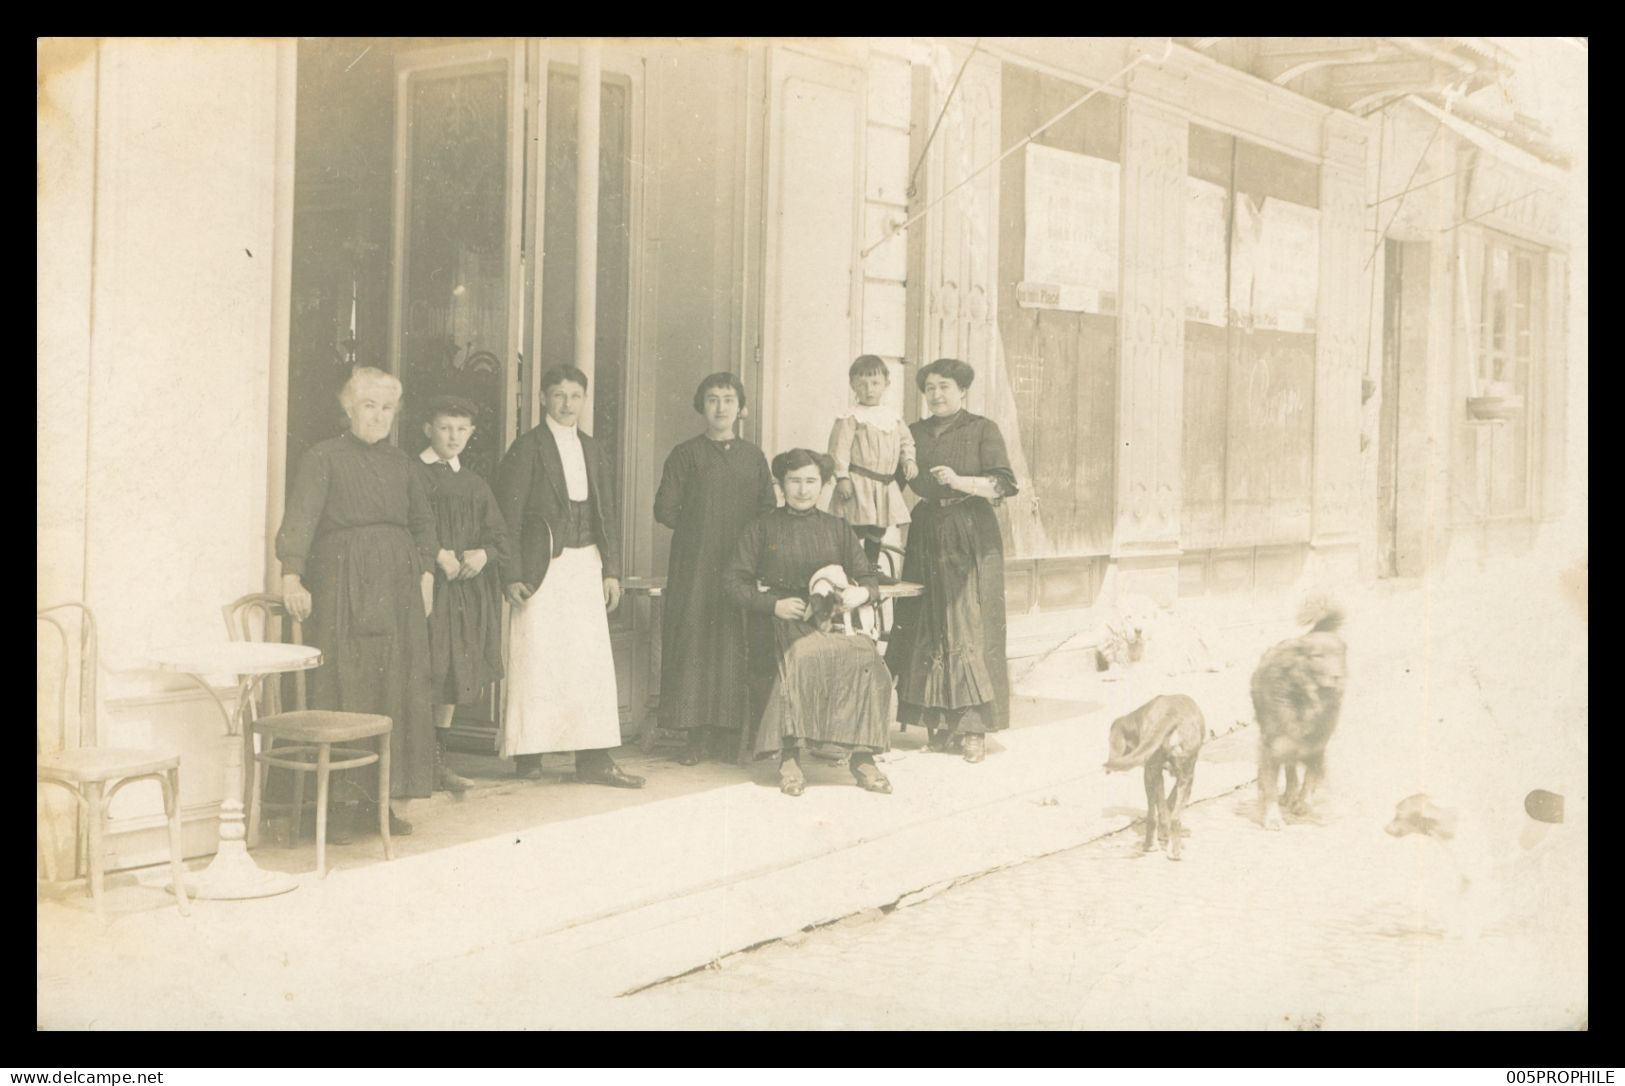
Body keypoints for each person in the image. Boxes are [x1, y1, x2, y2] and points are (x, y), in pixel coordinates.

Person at [276, 366, 436, 837]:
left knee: (395, 691)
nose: (379, 416)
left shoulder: (403, 464)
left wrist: (426, 575)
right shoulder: (322, 458)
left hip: (399, 592)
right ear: (349, 409)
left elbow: (424, 526)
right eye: (370, 406)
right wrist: (292, 576)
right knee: (346, 685)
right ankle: (338, 804)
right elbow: (301, 519)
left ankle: (379, 802)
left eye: (388, 408)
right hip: (342, 586)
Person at [495, 365, 643, 788]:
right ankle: (528, 754)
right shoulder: (527, 448)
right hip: (541, 569)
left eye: (575, 395)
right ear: (543, 398)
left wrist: (611, 571)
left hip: (586, 564)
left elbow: (606, 514)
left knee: (588, 661)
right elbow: (508, 515)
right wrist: (511, 574)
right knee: (536, 657)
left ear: (584, 400)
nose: (566, 404)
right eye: (558, 395)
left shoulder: (593, 450)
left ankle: (594, 759)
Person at [725, 449, 894, 796]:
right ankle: (789, 755)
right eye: (795, 481)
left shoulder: (837, 527)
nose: (803, 490)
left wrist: (861, 594)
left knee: (868, 660)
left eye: (811, 482)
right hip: (781, 622)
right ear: (781, 484)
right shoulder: (762, 527)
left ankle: (862, 757)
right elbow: (733, 583)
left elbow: (868, 575)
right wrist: (773, 605)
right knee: (800, 658)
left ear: (824, 485)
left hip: (829, 620)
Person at [885, 358, 1019, 765]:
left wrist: (960, 481)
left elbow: (1004, 483)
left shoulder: (982, 429)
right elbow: (886, 479)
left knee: (970, 626)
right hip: (926, 530)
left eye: (944, 387)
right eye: (930, 388)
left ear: (962, 391)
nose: (937, 395)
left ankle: (973, 729)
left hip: (971, 531)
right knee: (927, 623)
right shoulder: (913, 433)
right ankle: (937, 726)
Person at [653, 373, 777, 765]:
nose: (721, 407)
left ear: (741, 408)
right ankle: (695, 736)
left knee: (733, 642)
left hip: (740, 564)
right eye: (712, 399)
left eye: (728, 399)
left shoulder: (753, 456)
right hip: (696, 564)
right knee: (694, 641)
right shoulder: (685, 454)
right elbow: (664, 509)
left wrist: (750, 552)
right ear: (701, 406)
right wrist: (702, 531)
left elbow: (767, 509)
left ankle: (728, 735)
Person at [416, 395, 510, 794]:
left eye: (461, 429)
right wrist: (436, 555)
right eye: (444, 428)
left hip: (464, 595)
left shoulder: (474, 484)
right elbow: (403, 525)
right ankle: (414, 763)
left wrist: (484, 554)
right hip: (424, 588)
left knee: (452, 674)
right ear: (428, 430)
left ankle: (439, 761)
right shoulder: (411, 475)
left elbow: (500, 535)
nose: (453, 436)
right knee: (424, 671)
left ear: (470, 434)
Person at [827, 354, 918, 570]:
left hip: (884, 484)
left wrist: (909, 460)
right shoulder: (851, 417)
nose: (869, 389)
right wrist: (842, 477)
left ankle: (871, 567)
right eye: (862, 384)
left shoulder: (893, 417)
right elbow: (838, 449)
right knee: (855, 526)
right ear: (852, 386)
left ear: (886, 384)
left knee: (878, 528)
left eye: (875, 383)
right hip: (859, 482)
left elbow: (907, 442)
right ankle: (849, 567)